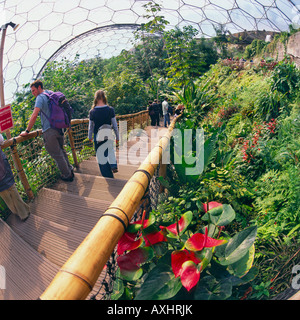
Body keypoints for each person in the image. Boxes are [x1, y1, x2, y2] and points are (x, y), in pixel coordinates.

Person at [20, 80, 74, 182]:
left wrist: (27, 131)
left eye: (34, 90)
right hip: (59, 128)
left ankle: (67, 175)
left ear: (39, 87)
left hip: (49, 130)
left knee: (57, 154)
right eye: (32, 91)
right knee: (62, 151)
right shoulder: (50, 93)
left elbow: (35, 114)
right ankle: (70, 170)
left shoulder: (40, 98)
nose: (33, 93)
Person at [88, 90, 119, 178]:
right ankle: (113, 165)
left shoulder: (92, 111)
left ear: (96, 98)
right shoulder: (110, 110)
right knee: (110, 151)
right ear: (104, 97)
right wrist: (118, 137)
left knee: (101, 155)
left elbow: (91, 127)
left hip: (98, 136)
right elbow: (115, 125)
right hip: (108, 134)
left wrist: (89, 137)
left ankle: (108, 175)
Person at [0, 134, 30, 221]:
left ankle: (16, 212)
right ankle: (23, 213)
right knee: (12, 188)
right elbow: (1, 141)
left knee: (3, 193)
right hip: (2, 164)